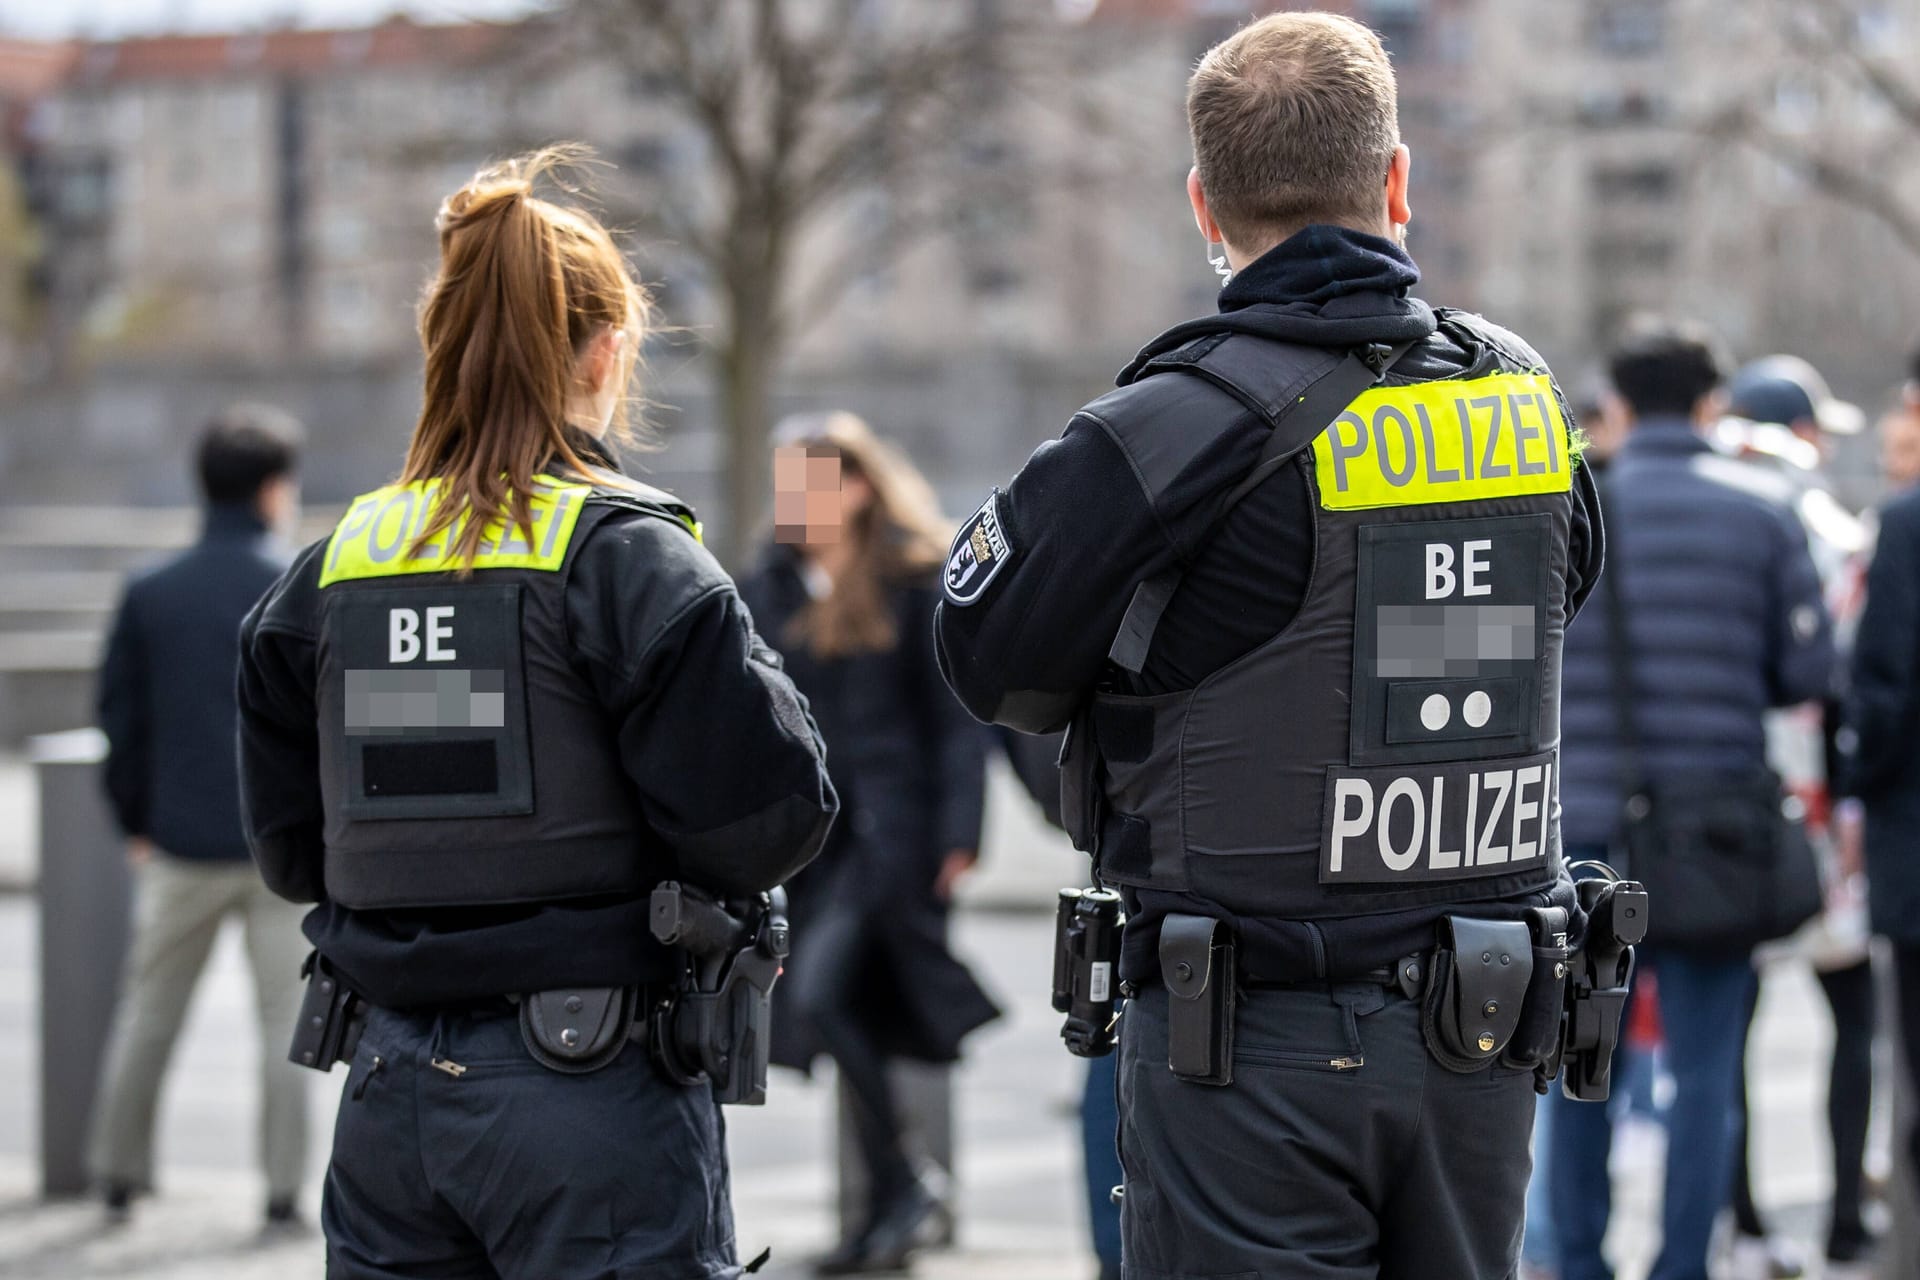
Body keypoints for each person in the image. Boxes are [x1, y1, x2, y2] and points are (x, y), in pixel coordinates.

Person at [934, 13, 1603, 1277]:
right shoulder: (1523, 398)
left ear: (1206, 204)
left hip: (1250, 1043)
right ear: (1397, 180)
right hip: (1484, 1027)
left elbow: (986, 655)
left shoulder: (1165, 429)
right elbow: (1555, 607)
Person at [234, 147, 837, 1279]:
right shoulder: (627, 558)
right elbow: (771, 818)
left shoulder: (330, 572)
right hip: (591, 1096)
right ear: (607, 352)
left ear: (442, 354)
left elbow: (291, 851)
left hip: (386, 1099)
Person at [1549, 319, 1834, 1280]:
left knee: (1582, 1065)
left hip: (1586, 837)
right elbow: (1804, 672)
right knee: (1709, 1072)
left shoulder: (1568, 512)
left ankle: (1579, 1262)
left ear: (1618, 405)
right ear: (1712, 405)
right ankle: (1682, 1267)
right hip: (1714, 835)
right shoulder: (1762, 511)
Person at [738, 412, 998, 1275]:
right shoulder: (769, 587)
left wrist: (961, 834)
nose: (790, 501)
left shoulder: (916, 579)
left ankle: (906, 1186)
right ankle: (885, 1210)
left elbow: (959, 724)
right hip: (814, 851)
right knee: (844, 1014)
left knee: (831, 1000)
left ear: (855, 488)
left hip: (896, 843)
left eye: (807, 482)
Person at [90, 405, 310, 1227]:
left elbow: (121, 719)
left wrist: (135, 821)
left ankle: (117, 1171)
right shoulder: (297, 586)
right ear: (270, 489)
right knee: (286, 1028)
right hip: (280, 852)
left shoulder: (151, 592)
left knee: (149, 1015)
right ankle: (285, 1191)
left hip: (180, 843)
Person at [1718, 355, 1878, 1280]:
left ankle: (1741, 1220)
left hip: (1724, 815)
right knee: (1851, 1015)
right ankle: (1847, 1221)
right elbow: (1848, 678)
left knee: (1724, 1025)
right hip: (1823, 817)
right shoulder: (1821, 520)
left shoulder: (1701, 508)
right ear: (1805, 431)